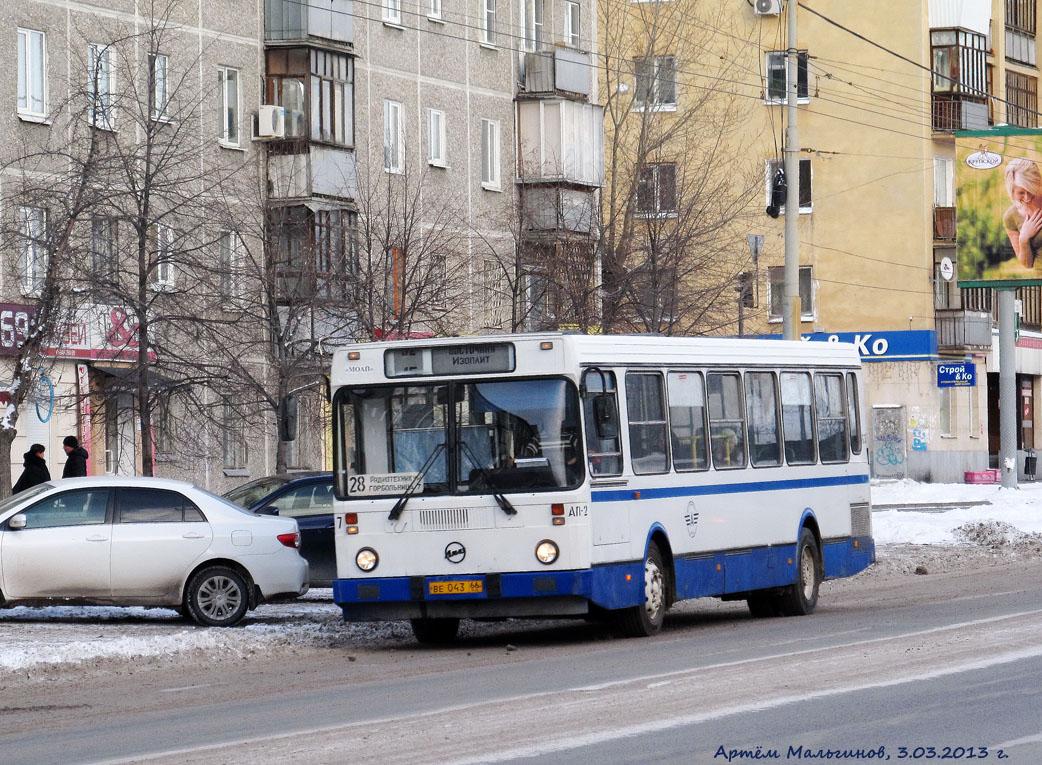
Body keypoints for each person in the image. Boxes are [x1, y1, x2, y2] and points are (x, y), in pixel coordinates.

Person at [1003, 157, 1042, 270]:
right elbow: (1027, 264)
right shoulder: (1011, 217)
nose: (1027, 197)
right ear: (1011, 191)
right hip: (1037, 284)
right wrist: (1024, 238)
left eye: (1030, 189)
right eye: (1021, 192)